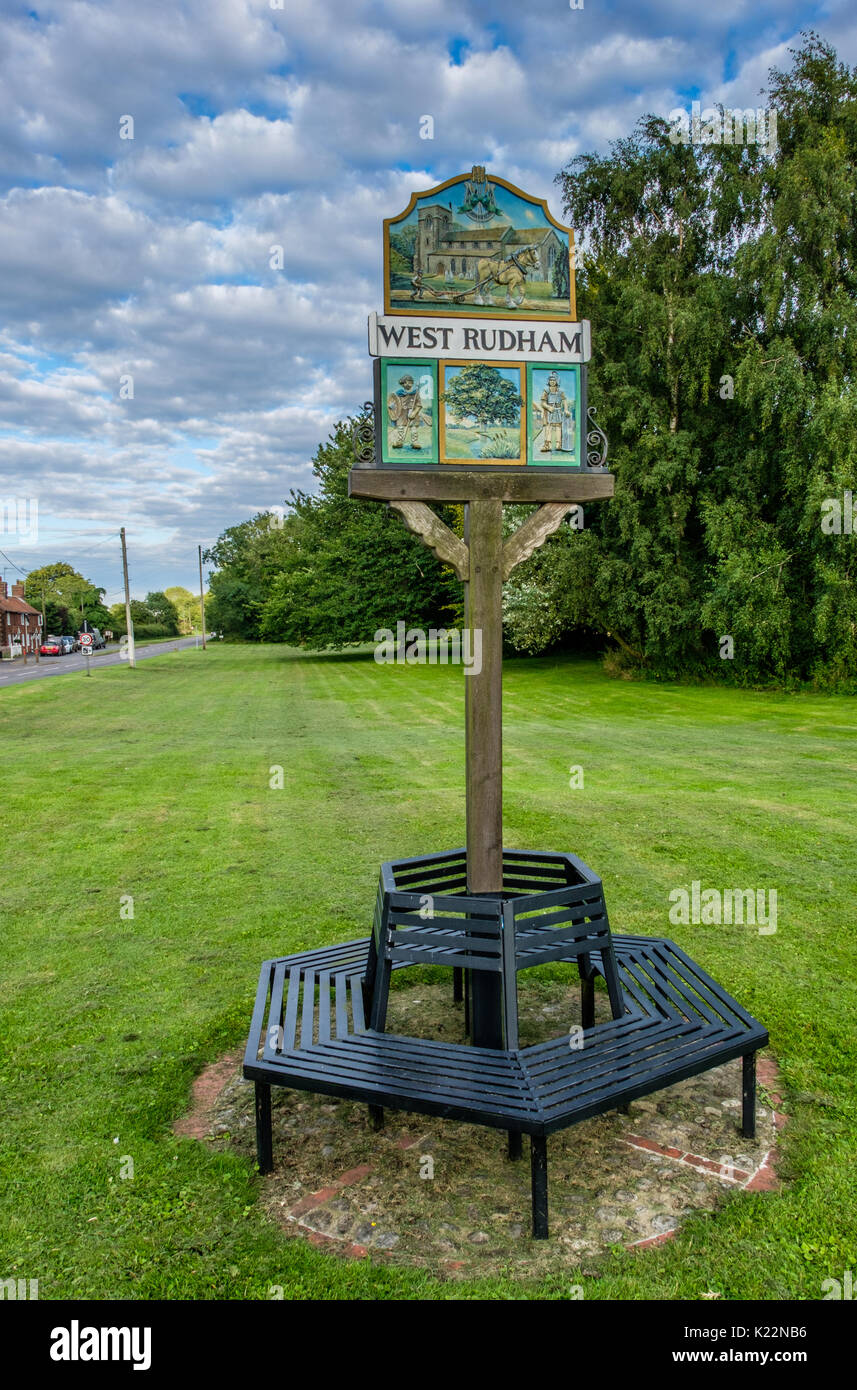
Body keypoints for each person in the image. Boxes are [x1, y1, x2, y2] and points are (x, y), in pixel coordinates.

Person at [387, 375, 425, 450]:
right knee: (400, 428)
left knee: (413, 428)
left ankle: (415, 442)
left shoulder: (416, 393)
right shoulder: (399, 393)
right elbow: (394, 402)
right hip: (401, 413)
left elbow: (419, 405)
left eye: (410, 382)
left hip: (412, 413)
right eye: (406, 383)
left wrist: (414, 412)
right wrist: (392, 407)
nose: (408, 384)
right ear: (403, 384)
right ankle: (400, 442)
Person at [539, 371, 573, 453]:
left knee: (558, 427)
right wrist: (548, 407)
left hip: (558, 412)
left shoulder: (560, 392)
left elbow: (564, 400)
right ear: (548, 381)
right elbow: (542, 403)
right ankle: (548, 445)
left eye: (554, 380)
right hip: (549, 412)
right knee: (548, 427)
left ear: (557, 381)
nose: (552, 382)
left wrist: (565, 409)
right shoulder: (546, 391)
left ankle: (558, 444)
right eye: (551, 380)